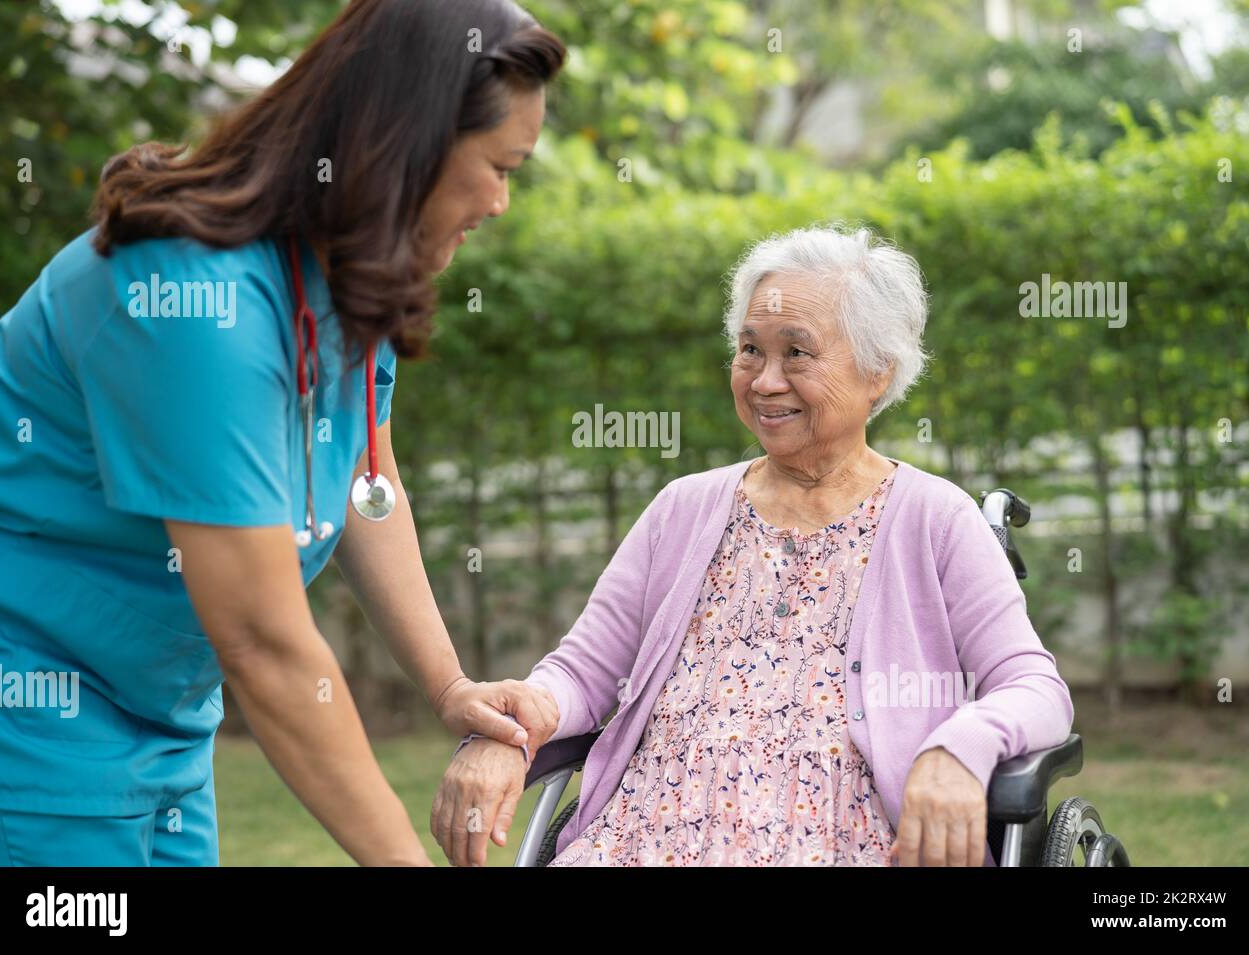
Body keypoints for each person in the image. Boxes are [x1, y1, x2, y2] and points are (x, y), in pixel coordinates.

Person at [0, 0, 564, 867]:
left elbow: (369, 476)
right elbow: (262, 641)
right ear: (409, 143)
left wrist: (447, 683)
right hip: (24, 717)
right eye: (499, 166)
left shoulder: (342, 273)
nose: (502, 202)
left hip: (166, 725)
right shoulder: (191, 298)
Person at [431, 225, 1075, 867]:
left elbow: (1034, 686)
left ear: (878, 371)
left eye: (798, 353)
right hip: (645, 841)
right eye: (749, 350)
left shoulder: (935, 519)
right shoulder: (681, 509)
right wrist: (510, 734)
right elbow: (580, 674)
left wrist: (960, 747)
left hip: (844, 846)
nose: (765, 381)